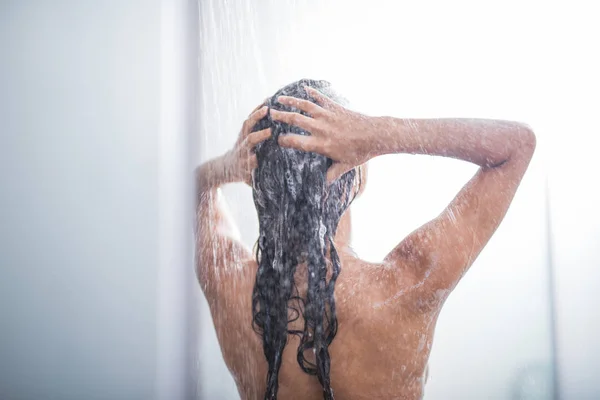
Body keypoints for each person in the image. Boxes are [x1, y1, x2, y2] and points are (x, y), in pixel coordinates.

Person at [195, 79, 536, 400]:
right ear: (354, 167)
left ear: (261, 180)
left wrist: (224, 167)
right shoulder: (406, 286)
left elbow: (192, 190)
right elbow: (516, 144)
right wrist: (378, 132)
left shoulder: (230, 286)